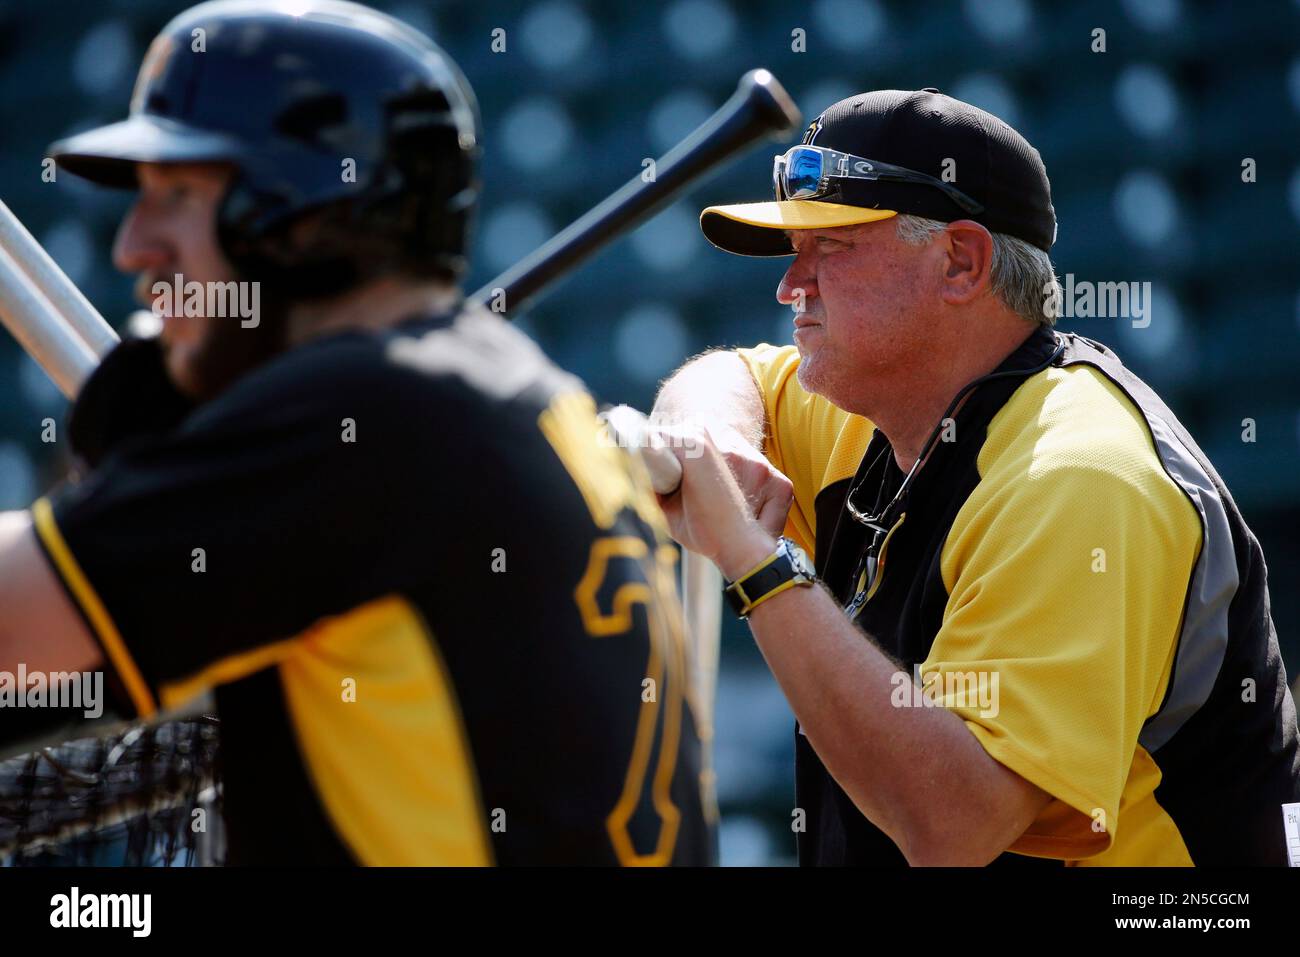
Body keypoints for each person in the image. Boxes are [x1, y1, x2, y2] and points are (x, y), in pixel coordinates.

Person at [0, 0, 713, 866]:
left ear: (299, 215)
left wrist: (145, 455)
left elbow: (15, 628)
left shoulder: (363, 415)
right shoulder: (513, 388)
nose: (132, 248)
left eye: (176, 196)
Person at [653, 88, 1300, 866]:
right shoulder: (885, 403)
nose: (792, 286)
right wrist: (715, 435)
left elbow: (954, 827)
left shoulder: (1076, 473)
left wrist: (758, 569)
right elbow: (730, 376)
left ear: (961, 261)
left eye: (831, 249)